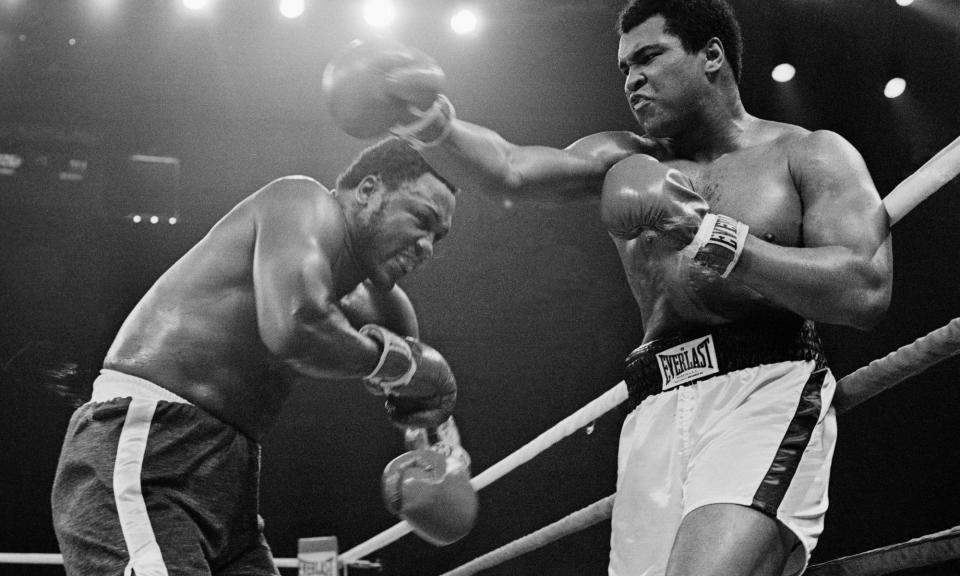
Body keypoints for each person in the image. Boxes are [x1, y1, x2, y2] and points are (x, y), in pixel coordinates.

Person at [322, 1, 893, 574]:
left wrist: (712, 236)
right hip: (654, 405)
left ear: (712, 55)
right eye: (624, 69)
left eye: (649, 57)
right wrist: (426, 120)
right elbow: (513, 171)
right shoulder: (623, 158)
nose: (633, 80)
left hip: (762, 393)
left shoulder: (807, 154)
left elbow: (864, 289)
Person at [51, 137, 478, 575]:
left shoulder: (386, 309)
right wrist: (399, 362)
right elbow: (295, 327)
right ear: (368, 190)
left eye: (437, 237)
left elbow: (421, 407)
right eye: (420, 220)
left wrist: (447, 457)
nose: (427, 246)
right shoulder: (301, 202)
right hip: (149, 443)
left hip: (232, 479)